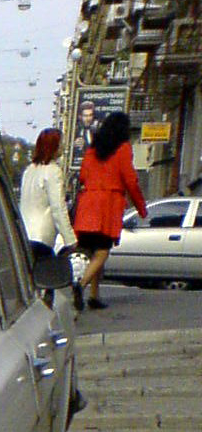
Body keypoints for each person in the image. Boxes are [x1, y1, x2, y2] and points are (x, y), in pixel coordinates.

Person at [72, 111, 147, 311]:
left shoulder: (91, 151)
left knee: (93, 251)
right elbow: (130, 180)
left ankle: (94, 296)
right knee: (103, 250)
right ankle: (80, 287)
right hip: (108, 204)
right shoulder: (123, 149)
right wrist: (141, 207)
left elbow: (83, 177)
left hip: (88, 203)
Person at [20, 127, 77, 263]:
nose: (63, 146)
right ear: (54, 146)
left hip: (24, 235)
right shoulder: (53, 171)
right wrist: (70, 239)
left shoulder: (29, 170)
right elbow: (58, 208)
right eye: (61, 142)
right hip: (42, 236)